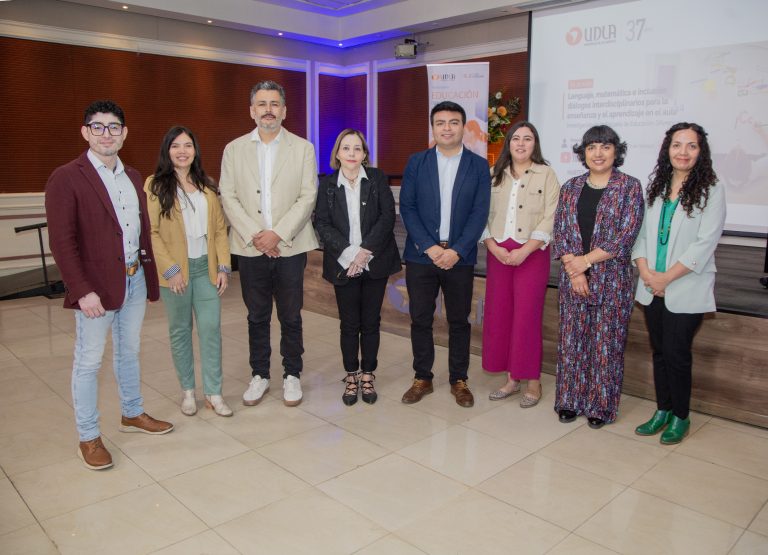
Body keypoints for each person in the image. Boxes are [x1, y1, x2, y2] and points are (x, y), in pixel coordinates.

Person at [45, 100, 173, 471]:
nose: (106, 133)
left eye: (114, 127)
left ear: (124, 133)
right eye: (98, 127)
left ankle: (132, 413)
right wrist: (81, 290)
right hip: (95, 290)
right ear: (85, 132)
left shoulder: (133, 177)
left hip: (131, 281)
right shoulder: (66, 177)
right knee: (88, 361)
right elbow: (62, 241)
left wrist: (148, 279)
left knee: (129, 351)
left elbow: (138, 233)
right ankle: (88, 436)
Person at [219, 80, 318, 407]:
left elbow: (307, 196)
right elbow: (228, 197)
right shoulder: (234, 149)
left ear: (284, 110)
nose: (268, 110)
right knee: (257, 315)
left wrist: (278, 233)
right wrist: (256, 235)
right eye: (261, 104)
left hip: (290, 245)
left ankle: (292, 374)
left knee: (291, 315)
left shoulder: (302, 147)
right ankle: (259, 374)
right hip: (250, 248)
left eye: (274, 104)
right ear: (252, 110)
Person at [632, 123, 725, 444]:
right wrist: (646, 273)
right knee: (659, 351)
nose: (682, 152)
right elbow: (642, 235)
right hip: (650, 284)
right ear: (667, 149)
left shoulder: (712, 188)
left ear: (701, 152)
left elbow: (705, 242)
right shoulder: (656, 186)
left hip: (684, 286)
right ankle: (662, 409)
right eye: (676, 145)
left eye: (691, 146)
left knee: (677, 353)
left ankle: (681, 417)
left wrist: (666, 278)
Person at [399, 101, 491, 408]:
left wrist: (458, 250)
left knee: (459, 321)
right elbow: (408, 208)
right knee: (420, 318)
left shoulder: (478, 166)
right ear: (433, 127)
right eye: (441, 122)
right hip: (420, 255)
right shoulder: (417, 162)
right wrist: (430, 247)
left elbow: (480, 213)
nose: (447, 128)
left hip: (460, 258)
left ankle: (458, 380)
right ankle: (422, 377)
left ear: (464, 127)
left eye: (453, 122)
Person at [552, 125, 644, 428]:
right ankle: (569, 400)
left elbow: (625, 235)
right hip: (572, 279)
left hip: (612, 280)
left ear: (616, 151)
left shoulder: (629, 187)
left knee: (607, 345)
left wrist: (585, 262)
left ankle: (600, 406)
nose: (598, 153)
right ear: (583, 152)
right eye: (592, 147)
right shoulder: (570, 187)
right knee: (572, 341)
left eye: (605, 146)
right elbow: (562, 232)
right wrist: (575, 270)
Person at [145, 126, 233, 417]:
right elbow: (152, 232)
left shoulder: (207, 185)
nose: (182, 151)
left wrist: (223, 266)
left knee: (210, 330)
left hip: (204, 269)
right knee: (180, 331)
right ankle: (187, 392)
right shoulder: (155, 185)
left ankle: (214, 392)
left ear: (195, 150)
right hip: (175, 273)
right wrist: (170, 270)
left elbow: (220, 229)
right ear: (167, 151)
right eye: (175, 146)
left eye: (188, 145)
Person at [314, 129, 401, 405]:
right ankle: (351, 374)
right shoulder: (328, 184)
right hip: (343, 264)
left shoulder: (376, 178)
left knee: (371, 322)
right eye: (346, 148)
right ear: (337, 153)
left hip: (374, 262)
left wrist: (364, 254)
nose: (352, 153)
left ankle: (368, 374)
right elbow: (322, 224)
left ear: (364, 154)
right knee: (349, 324)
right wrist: (351, 254)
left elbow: (388, 217)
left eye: (357, 149)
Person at [482, 122, 560, 407]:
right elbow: (482, 214)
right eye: (516, 138)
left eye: (528, 139)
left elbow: (552, 215)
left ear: (534, 144)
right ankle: (512, 379)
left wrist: (525, 250)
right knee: (500, 315)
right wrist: (493, 246)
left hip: (532, 253)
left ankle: (533, 380)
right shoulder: (494, 174)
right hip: (498, 252)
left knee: (527, 317)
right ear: (508, 144)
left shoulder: (546, 174)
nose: (521, 143)